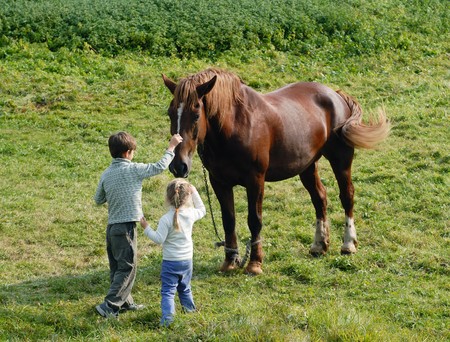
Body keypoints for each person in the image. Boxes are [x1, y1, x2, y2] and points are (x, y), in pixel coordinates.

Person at [94, 131, 183, 318]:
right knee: (128, 267)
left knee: (118, 267)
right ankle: (109, 306)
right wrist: (171, 147)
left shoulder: (106, 174)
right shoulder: (133, 170)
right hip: (126, 228)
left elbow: (98, 199)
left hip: (111, 229)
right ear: (127, 153)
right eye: (133, 151)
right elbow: (159, 167)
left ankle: (125, 303)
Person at [139, 178, 206, 327]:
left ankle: (168, 320)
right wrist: (194, 192)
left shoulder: (166, 219)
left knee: (168, 291)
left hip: (170, 262)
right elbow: (202, 210)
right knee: (185, 287)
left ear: (168, 198)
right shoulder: (190, 214)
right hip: (187, 260)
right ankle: (190, 312)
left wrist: (146, 227)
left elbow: (158, 239)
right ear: (187, 196)